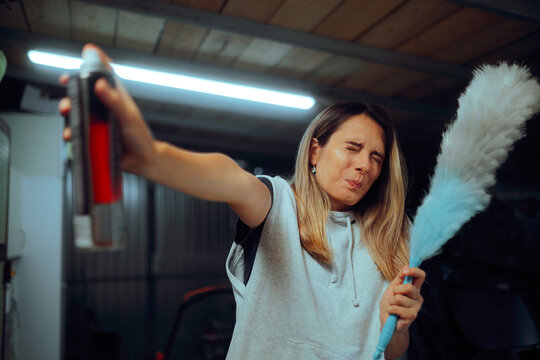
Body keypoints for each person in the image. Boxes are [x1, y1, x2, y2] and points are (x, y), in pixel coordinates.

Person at [60, 44, 425, 360]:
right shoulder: (278, 205)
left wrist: (398, 323)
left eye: (376, 158)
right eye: (353, 148)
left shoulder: (392, 234)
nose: (364, 165)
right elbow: (232, 179)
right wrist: (154, 157)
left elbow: (392, 350)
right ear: (315, 151)